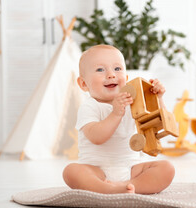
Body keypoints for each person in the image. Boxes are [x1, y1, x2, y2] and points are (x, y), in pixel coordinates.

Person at [62, 45, 175, 194]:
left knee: (167, 168)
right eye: (100, 70)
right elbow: (96, 137)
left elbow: (158, 124)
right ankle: (107, 188)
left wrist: (157, 98)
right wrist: (115, 113)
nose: (111, 75)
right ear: (83, 84)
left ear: (126, 79)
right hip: (97, 170)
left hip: (132, 169)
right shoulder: (90, 106)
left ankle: (128, 186)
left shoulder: (134, 102)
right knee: (71, 171)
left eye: (117, 69)